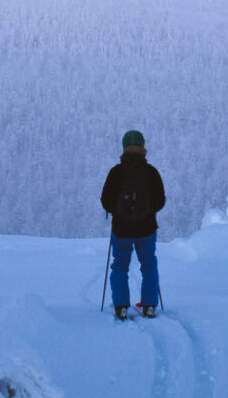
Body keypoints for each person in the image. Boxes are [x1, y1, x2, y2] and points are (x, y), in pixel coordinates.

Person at [100, 129, 165, 319]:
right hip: (147, 229)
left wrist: (119, 213)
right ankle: (149, 306)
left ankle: (120, 307)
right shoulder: (151, 172)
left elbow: (106, 200)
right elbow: (160, 200)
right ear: (143, 147)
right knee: (149, 264)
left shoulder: (116, 172)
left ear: (124, 147)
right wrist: (148, 212)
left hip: (121, 230)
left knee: (120, 265)